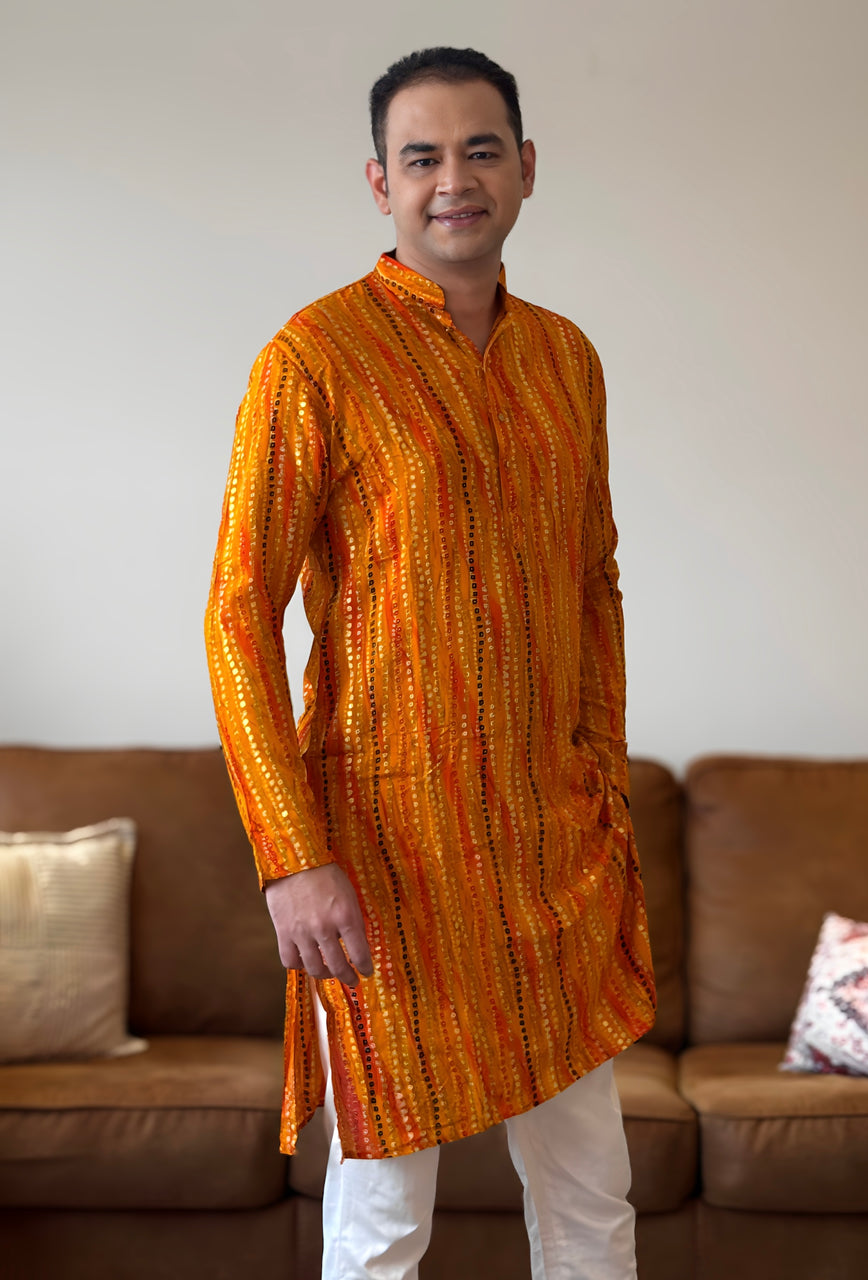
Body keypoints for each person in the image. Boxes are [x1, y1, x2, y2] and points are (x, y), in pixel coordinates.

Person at [205, 46, 656, 1280]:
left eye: (479, 149)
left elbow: (593, 583)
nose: (453, 179)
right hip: (387, 858)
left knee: (590, 1195)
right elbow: (237, 614)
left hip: (551, 847)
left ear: (524, 169)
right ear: (379, 182)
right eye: (422, 157)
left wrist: (601, 783)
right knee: (385, 1212)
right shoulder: (316, 357)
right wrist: (293, 859)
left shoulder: (567, 358)